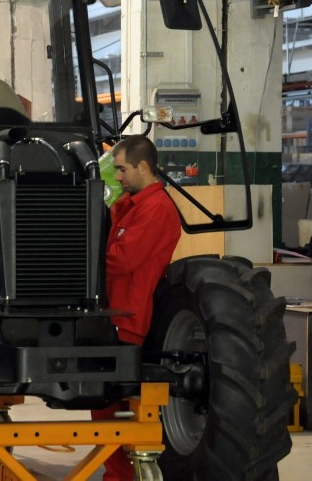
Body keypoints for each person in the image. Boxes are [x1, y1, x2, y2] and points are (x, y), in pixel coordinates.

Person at [92, 134, 181, 480]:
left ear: (143, 167)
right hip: (111, 314)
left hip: (128, 317)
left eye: (122, 169)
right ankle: (118, 475)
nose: (117, 177)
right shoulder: (130, 205)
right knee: (103, 407)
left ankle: (121, 477)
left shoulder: (156, 209)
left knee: (108, 408)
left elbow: (122, 261)